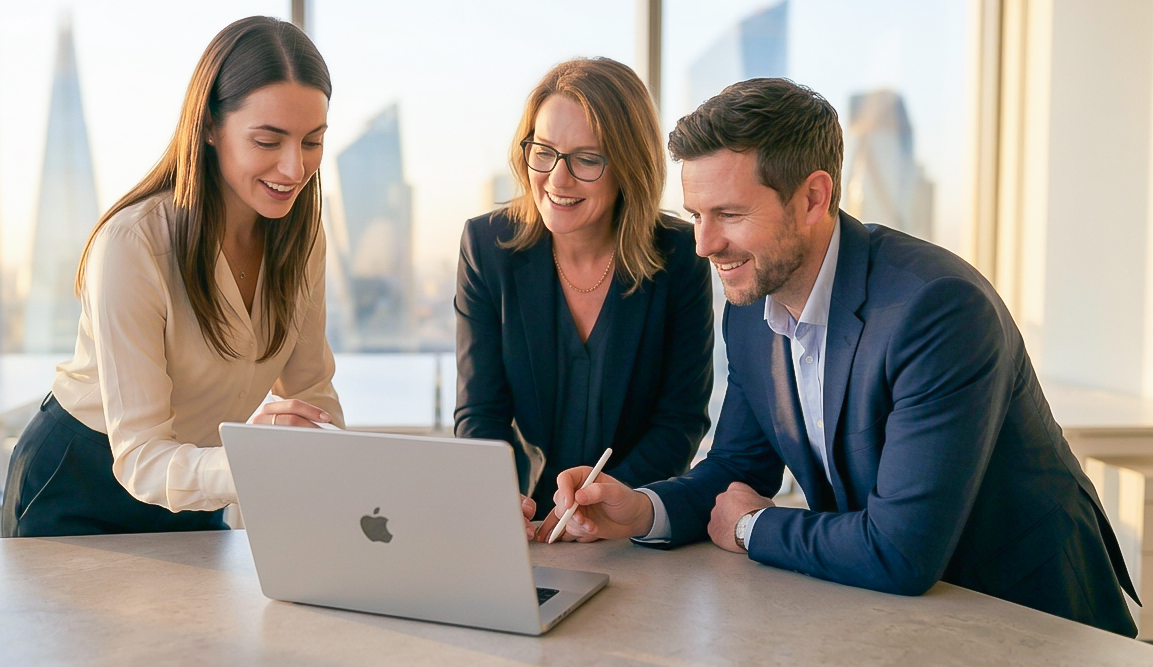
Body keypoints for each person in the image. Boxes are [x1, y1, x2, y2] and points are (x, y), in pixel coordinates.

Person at [539, 77, 1139, 636]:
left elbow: (899, 551)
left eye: (730, 214)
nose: (704, 244)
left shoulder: (936, 309)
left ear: (814, 197)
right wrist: (639, 510)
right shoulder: (751, 309)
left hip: (1034, 625)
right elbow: (735, 471)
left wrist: (754, 526)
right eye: (697, 214)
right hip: (898, 621)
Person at [3, 17, 344, 537]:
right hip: (78, 486)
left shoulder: (302, 238)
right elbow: (140, 458)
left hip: (196, 482)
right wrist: (256, 463)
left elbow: (312, 393)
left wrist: (346, 487)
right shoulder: (132, 244)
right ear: (209, 127)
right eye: (268, 141)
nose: (295, 169)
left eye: (312, 141)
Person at [455, 57, 715, 524]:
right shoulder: (486, 247)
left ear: (628, 166)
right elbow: (480, 412)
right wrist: (494, 498)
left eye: (587, 159)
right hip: (523, 522)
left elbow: (680, 422)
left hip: (630, 522)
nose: (557, 178)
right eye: (545, 150)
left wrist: (614, 505)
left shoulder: (680, 257)